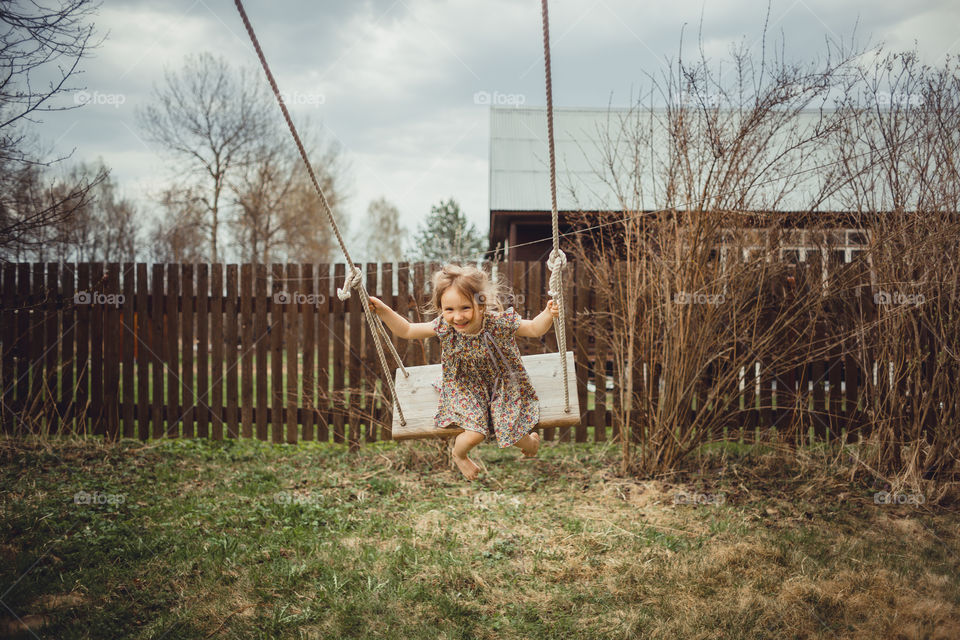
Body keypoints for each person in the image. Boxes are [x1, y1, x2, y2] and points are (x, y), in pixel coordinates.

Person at [368, 263, 560, 480]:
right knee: (474, 434)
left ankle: (532, 444)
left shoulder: (497, 323)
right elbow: (407, 330)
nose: (457, 317)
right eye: (449, 310)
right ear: (441, 308)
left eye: (465, 308)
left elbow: (535, 328)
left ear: (480, 304)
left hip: (503, 384)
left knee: (513, 431)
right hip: (464, 387)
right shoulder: (444, 326)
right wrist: (383, 310)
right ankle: (459, 456)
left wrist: (548, 313)